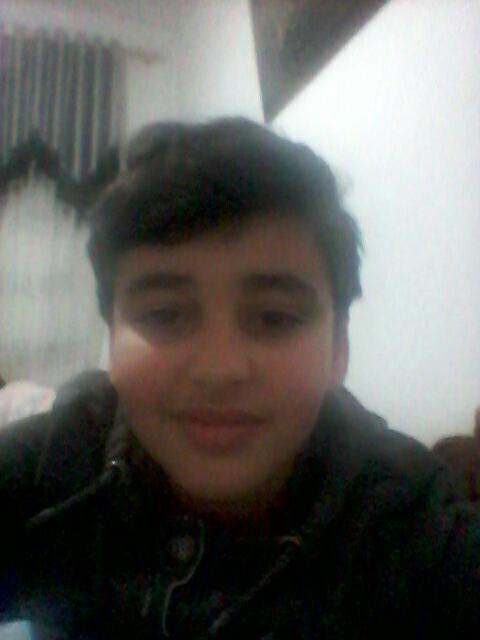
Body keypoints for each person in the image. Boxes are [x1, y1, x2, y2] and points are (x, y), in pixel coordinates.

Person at [0, 118, 479, 639]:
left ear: (339, 348)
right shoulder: (57, 469)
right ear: (111, 340)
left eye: (274, 318)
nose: (219, 370)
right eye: (164, 315)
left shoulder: (417, 537)